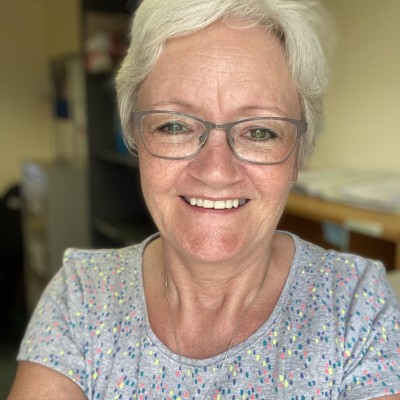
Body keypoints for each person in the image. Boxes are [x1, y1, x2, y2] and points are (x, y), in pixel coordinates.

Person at [8, 0, 400, 399]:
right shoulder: (81, 295)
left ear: (299, 154)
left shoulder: (354, 305)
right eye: (175, 125)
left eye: (260, 132)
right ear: (135, 138)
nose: (215, 171)